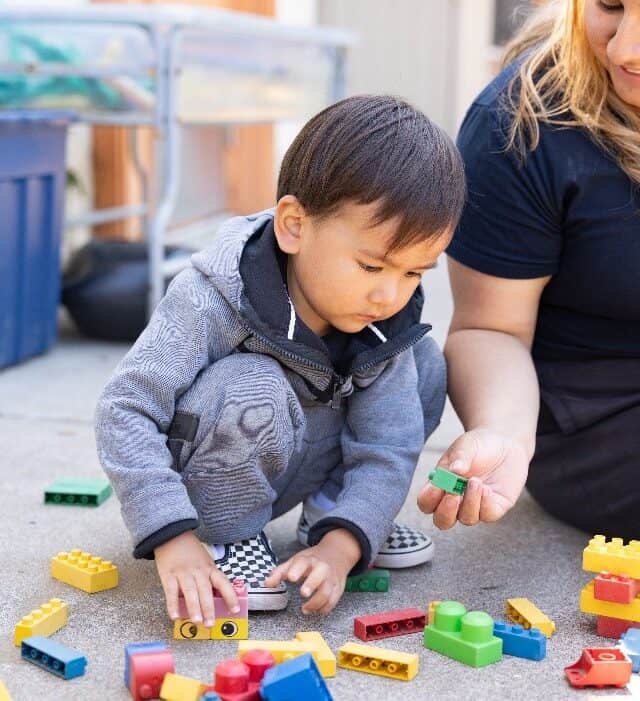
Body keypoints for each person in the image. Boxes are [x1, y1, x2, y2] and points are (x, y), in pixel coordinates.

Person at [95, 95, 465, 625]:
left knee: (422, 361)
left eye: (413, 274)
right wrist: (172, 536)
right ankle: (231, 536)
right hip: (221, 463)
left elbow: (388, 445)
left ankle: (330, 516)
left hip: (305, 456)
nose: (390, 295)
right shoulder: (208, 298)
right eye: (371, 265)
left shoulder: (383, 317)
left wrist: (343, 545)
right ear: (294, 225)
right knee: (254, 383)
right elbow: (124, 408)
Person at [418, 0, 640, 540]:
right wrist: (506, 435)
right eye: (610, 6)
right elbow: (490, 329)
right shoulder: (518, 125)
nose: (624, 50)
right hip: (598, 418)